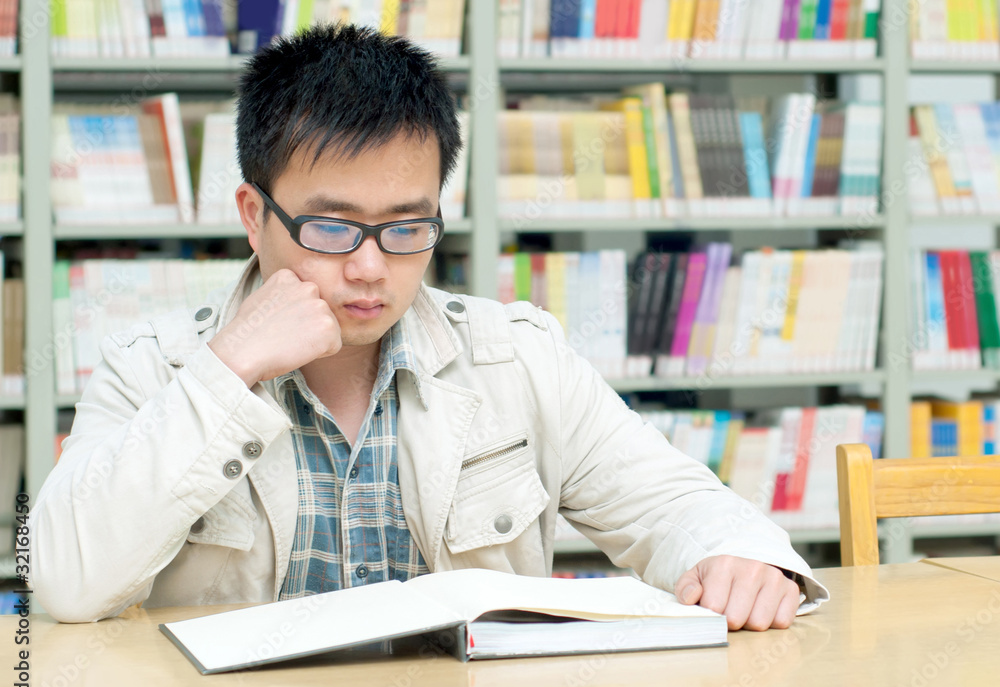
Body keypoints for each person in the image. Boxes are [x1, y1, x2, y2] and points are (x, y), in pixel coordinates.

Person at [30, 24, 828, 629]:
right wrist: (227, 370)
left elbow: (675, 504)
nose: (372, 267)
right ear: (253, 214)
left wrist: (737, 554)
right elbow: (64, 579)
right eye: (333, 228)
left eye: (407, 228)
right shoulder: (152, 367)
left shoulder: (517, 356)